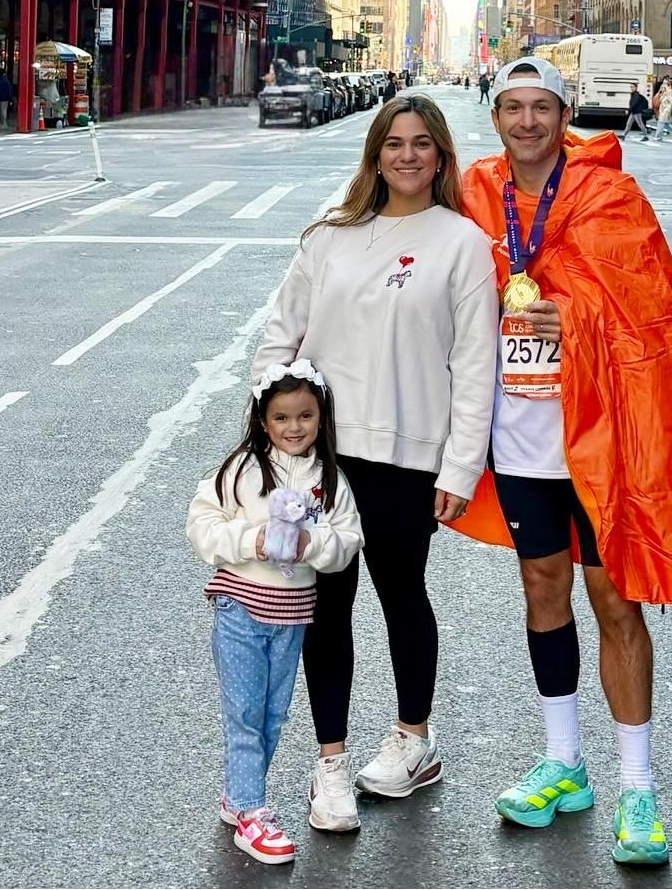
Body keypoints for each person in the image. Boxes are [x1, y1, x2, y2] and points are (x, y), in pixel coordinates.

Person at [455, 57, 672, 867]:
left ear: (564, 114)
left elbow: (649, 312)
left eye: (543, 108)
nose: (529, 122)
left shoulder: (611, 195)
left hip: (603, 437)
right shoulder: (473, 193)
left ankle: (637, 788)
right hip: (517, 437)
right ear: (496, 115)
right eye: (514, 108)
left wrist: (566, 311)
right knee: (542, 585)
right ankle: (563, 763)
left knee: (614, 599)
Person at [251, 94, 499, 833]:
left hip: (407, 458)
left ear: (442, 155)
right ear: (374, 154)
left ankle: (414, 741)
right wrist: (275, 432)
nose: (408, 155)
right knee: (325, 609)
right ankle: (330, 763)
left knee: (402, 596)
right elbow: (278, 338)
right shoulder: (328, 238)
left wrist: (459, 468)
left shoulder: (462, 243)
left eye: (423, 143)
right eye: (394, 143)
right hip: (324, 462)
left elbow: (475, 365)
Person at [187, 361, 364, 865]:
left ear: (320, 418)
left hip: (292, 617)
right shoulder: (242, 469)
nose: (293, 427)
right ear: (263, 421)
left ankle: (238, 797)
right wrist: (251, 539)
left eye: (305, 416)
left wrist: (312, 542)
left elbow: (349, 540)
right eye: (282, 417)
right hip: (239, 607)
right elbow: (202, 523)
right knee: (244, 714)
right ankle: (250, 811)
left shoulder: (329, 480)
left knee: (271, 714)